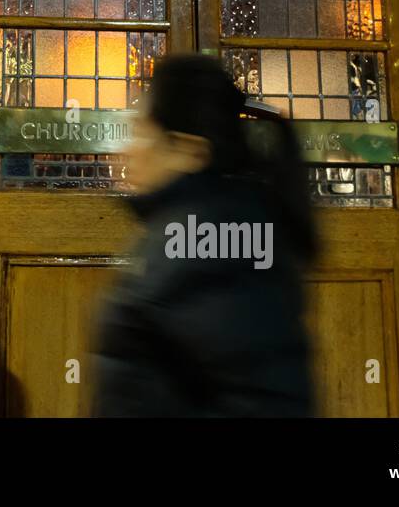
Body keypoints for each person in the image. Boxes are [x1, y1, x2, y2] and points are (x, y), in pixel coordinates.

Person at [91, 54, 318, 417]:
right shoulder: (208, 229)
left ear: (188, 150)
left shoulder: (207, 244)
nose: (126, 149)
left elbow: (262, 400)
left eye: (140, 131)